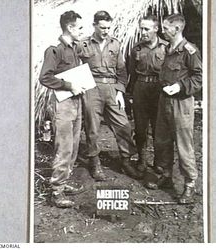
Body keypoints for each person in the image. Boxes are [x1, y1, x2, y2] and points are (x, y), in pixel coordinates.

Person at [77, 11, 140, 181]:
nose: (106, 31)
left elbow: (121, 71)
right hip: (92, 88)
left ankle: (126, 161)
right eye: (102, 27)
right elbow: (73, 66)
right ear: (94, 26)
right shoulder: (83, 44)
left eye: (108, 27)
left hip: (112, 88)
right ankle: (94, 162)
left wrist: (120, 92)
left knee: (123, 124)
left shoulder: (115, 44)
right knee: (92, 127)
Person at [154, 14, 202, 204]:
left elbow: (199, 77)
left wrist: (181, 86)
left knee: (183, 144)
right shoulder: (168, 48)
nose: (162, 30)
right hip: (164, 101)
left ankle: (189, 184)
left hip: (181, 103)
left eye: (166, 28)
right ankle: (166, 175)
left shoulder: (189, 51)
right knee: (162, 140)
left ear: (177, 29)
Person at [39, 11, 85, 208]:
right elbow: (45, 78)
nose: (83, 31)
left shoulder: (74, 48)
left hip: (76, 101)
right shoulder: (55, 50)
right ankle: (56, 191)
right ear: (70, 27)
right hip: (63, 102)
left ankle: (64, 182)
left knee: (74, 144)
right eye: (80, 27)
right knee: (64, 146)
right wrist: (68, 85)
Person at [127, 15, 168, 174]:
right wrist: (130, 94)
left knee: (159, 128)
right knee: (140, 127)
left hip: (159, 89)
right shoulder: (136, 48)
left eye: (147, 29)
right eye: (141, 28)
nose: (143, 32)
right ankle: (142, 160)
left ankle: (158, 161)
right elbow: (132, 73)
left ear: (156, 29)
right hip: (141, 88)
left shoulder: (166, 47)